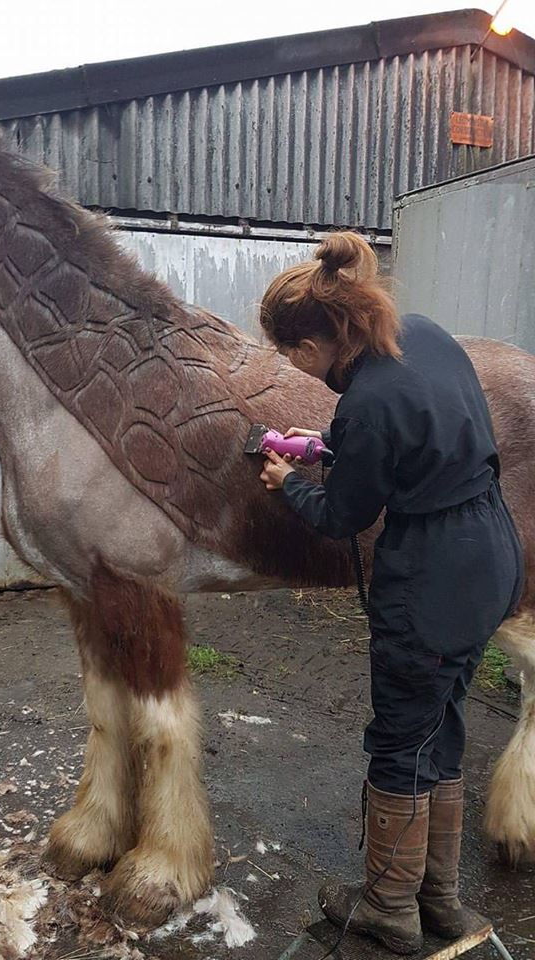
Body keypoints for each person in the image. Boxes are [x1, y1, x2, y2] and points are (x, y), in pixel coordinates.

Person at [258, 232, 523, 955]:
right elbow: (425, 434)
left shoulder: (367, 401)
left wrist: (291, 485)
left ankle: (388, 908)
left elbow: (344, 516)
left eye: (290, 355)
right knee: (444, 725)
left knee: (401, 742)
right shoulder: (424, 337)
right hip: (490, 561)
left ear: (315, 341)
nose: (293, 368)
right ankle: (438, 899)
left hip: (431, 583)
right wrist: (329, 448)